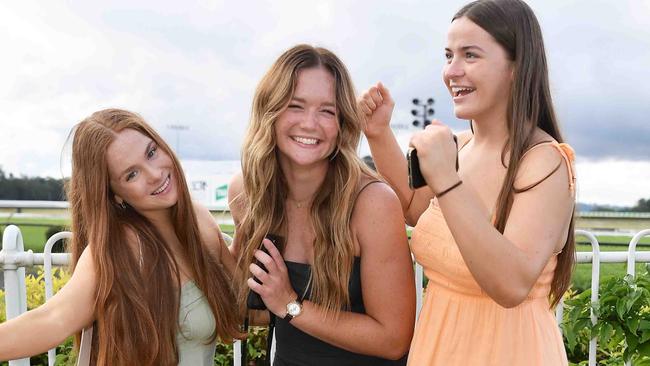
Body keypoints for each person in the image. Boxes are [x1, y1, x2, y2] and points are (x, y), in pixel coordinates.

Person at [359, 0, 576, 365]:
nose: (451, 71)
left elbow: (511, 285)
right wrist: (378, 134)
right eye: (448, 55)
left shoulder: (546, 161)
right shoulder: (460, 146)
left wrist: (446, 178)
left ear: (516, 66)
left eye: (470, 55)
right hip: (439, 348)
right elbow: (414, 210)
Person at [0, 109, 241, 365]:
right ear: (115, 194)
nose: (155, 174)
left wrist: (249, 216)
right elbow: (53, 319)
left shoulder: (199, 221)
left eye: (151, 152)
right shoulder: (120, 249)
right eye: (132, 174)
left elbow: (247, 303)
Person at [228, 44, 416, 365]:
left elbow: (393, 339)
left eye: (327, 111)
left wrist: (290, 304)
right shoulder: (248, 193)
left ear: (342, 123)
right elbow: (247, 307)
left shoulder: (372, 203)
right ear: (269, 111)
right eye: (295, 106)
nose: (310, 124)